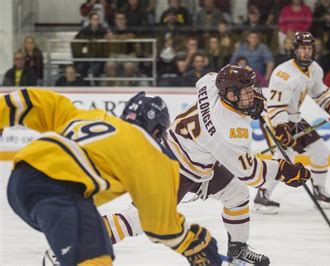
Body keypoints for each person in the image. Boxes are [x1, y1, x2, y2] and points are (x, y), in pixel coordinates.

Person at [74, 64, 312, 265]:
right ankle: (77, 243)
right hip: (170, 168)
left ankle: (238, 250)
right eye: (247, 91)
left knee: (236, 194)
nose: (253, 94)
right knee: (137, 221)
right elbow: (250, 173)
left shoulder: (211, 87)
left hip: (194, 160)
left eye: (251, 89)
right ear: (230, 94)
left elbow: (206, 78)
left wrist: (247, 103)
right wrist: (283, 170)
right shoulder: (229, 132)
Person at [1, 89, 222, 265]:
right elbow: (159, 226)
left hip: (19, 182)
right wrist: (191, 242)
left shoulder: (91, 116)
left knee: (96, 242)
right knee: (95, 260)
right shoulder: (153, 154)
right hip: (57, 192)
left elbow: (35, 101)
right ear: (158, 130)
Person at [253, 32, 330, 214]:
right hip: (274, 119)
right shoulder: (283, 74)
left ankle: (319, 192)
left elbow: (319, 94)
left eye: (309, 48)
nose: (306, 52)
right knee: (284, 159)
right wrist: (281, 129)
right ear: (295, 50)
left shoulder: (315, 69)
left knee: (320, 151)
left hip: (294, 118)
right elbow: (275, 107)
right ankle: (262, 195)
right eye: (302, 48)